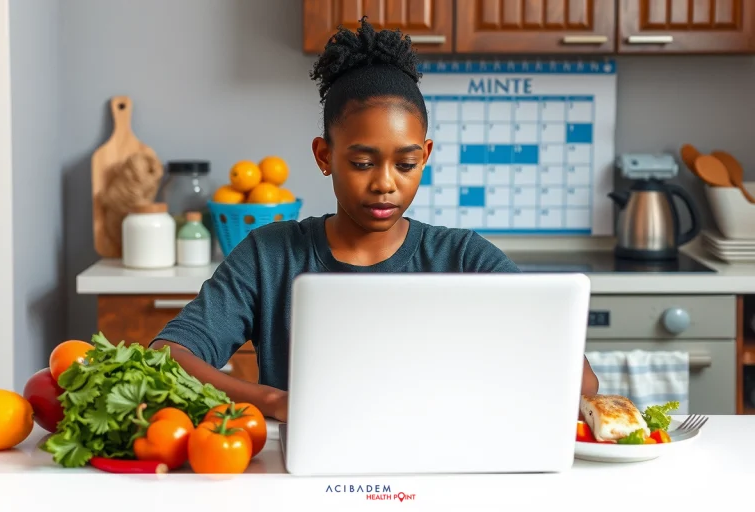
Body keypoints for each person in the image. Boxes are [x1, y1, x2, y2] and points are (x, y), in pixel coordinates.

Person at [150, 18, 599, 422]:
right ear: (325, 157)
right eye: (363, 163)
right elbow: (167, 356)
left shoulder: (463, 256)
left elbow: (581, 386)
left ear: (425, 156)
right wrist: (270, 401)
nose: (385, 184)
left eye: (405, 165)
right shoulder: (270, 254)